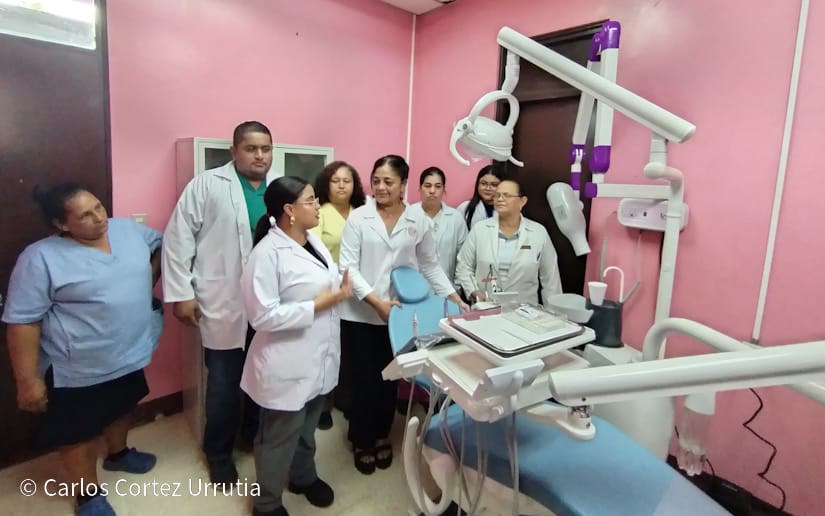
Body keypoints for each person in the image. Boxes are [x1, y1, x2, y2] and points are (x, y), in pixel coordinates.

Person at [2, 184, 162, 516]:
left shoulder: (126, 230)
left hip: (128, 352)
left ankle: (118, 454)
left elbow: (164, 245)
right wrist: (27, 380)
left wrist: (149, 279)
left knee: (123, 405)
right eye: (85, 215)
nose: (99, 218)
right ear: (61, 224)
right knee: (77, 430)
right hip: (77, 365)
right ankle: (87, 494)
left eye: (99, 207)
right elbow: (22, 322)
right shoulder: (39, 258)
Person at [339, 155, 466, 475]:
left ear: (403, 185)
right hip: (361, 313)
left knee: (390, 378)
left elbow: (429, 264)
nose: (381, 187)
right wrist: (376, 302)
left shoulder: (417, 219)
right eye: (376, 181)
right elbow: (347, 267)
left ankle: (382, 433)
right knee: (363, 379)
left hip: (400, 315)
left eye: (388, 182)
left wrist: (453, 297)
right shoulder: (359, 217)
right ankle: (361, 439)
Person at [162, 121, 270, 485]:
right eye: (251, 148)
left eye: (265, 149)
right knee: (223, 384)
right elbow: (178, 239)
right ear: (234, 151)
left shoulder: (279, 187)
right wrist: (181, 293)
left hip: (268, 304)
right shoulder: (207, 184)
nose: (259, 156)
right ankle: (219, 453)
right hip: (223, 301)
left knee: (262, 375)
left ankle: (251, 434)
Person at [241, 176, 352, 516]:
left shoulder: (312, 242)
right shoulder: (266, 254)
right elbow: (261, 316)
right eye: (311, 200)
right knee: (277, 438)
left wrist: (339, 291)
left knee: (306, 428)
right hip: (285, 364)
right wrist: (317, 305)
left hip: (317, 358)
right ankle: (266, 503)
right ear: (289, 210)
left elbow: (323, 283)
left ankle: (302, 477)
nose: (318, 205)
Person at [310, 160, 366, 429]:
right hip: (328, 292)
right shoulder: (319, 213)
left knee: (350, 350)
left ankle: (345, 397)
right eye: (336, 181)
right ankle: (322, 405)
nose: (342, 186)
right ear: (326, 184)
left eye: (347, 180)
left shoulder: (362, 213)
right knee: (326, 349)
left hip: (358, 292)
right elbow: (312, 253)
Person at [456, 178, 562, 307]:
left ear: (522, 201)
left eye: (506, 195)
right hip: (486, 308)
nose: (500, 199)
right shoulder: (480, 229)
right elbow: (464, 266)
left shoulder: (538, 232)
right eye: (497, 195)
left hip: (525, 311)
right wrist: (474, 291)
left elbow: (551, 280)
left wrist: (553, 313)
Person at [408, 166, 468, 282]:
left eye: (438, 186)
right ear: (420, 188)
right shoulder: (409, 215)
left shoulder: (455, 218)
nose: (432, 191)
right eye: (427, 186)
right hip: (413, 286)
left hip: (447, 287)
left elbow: (464, 258)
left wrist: (457, 285)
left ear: (444, 190)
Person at [456, 164, 508, 229]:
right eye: (483, 184)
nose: (488, 188)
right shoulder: (464, 208)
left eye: (494, 185)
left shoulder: (510, 209)